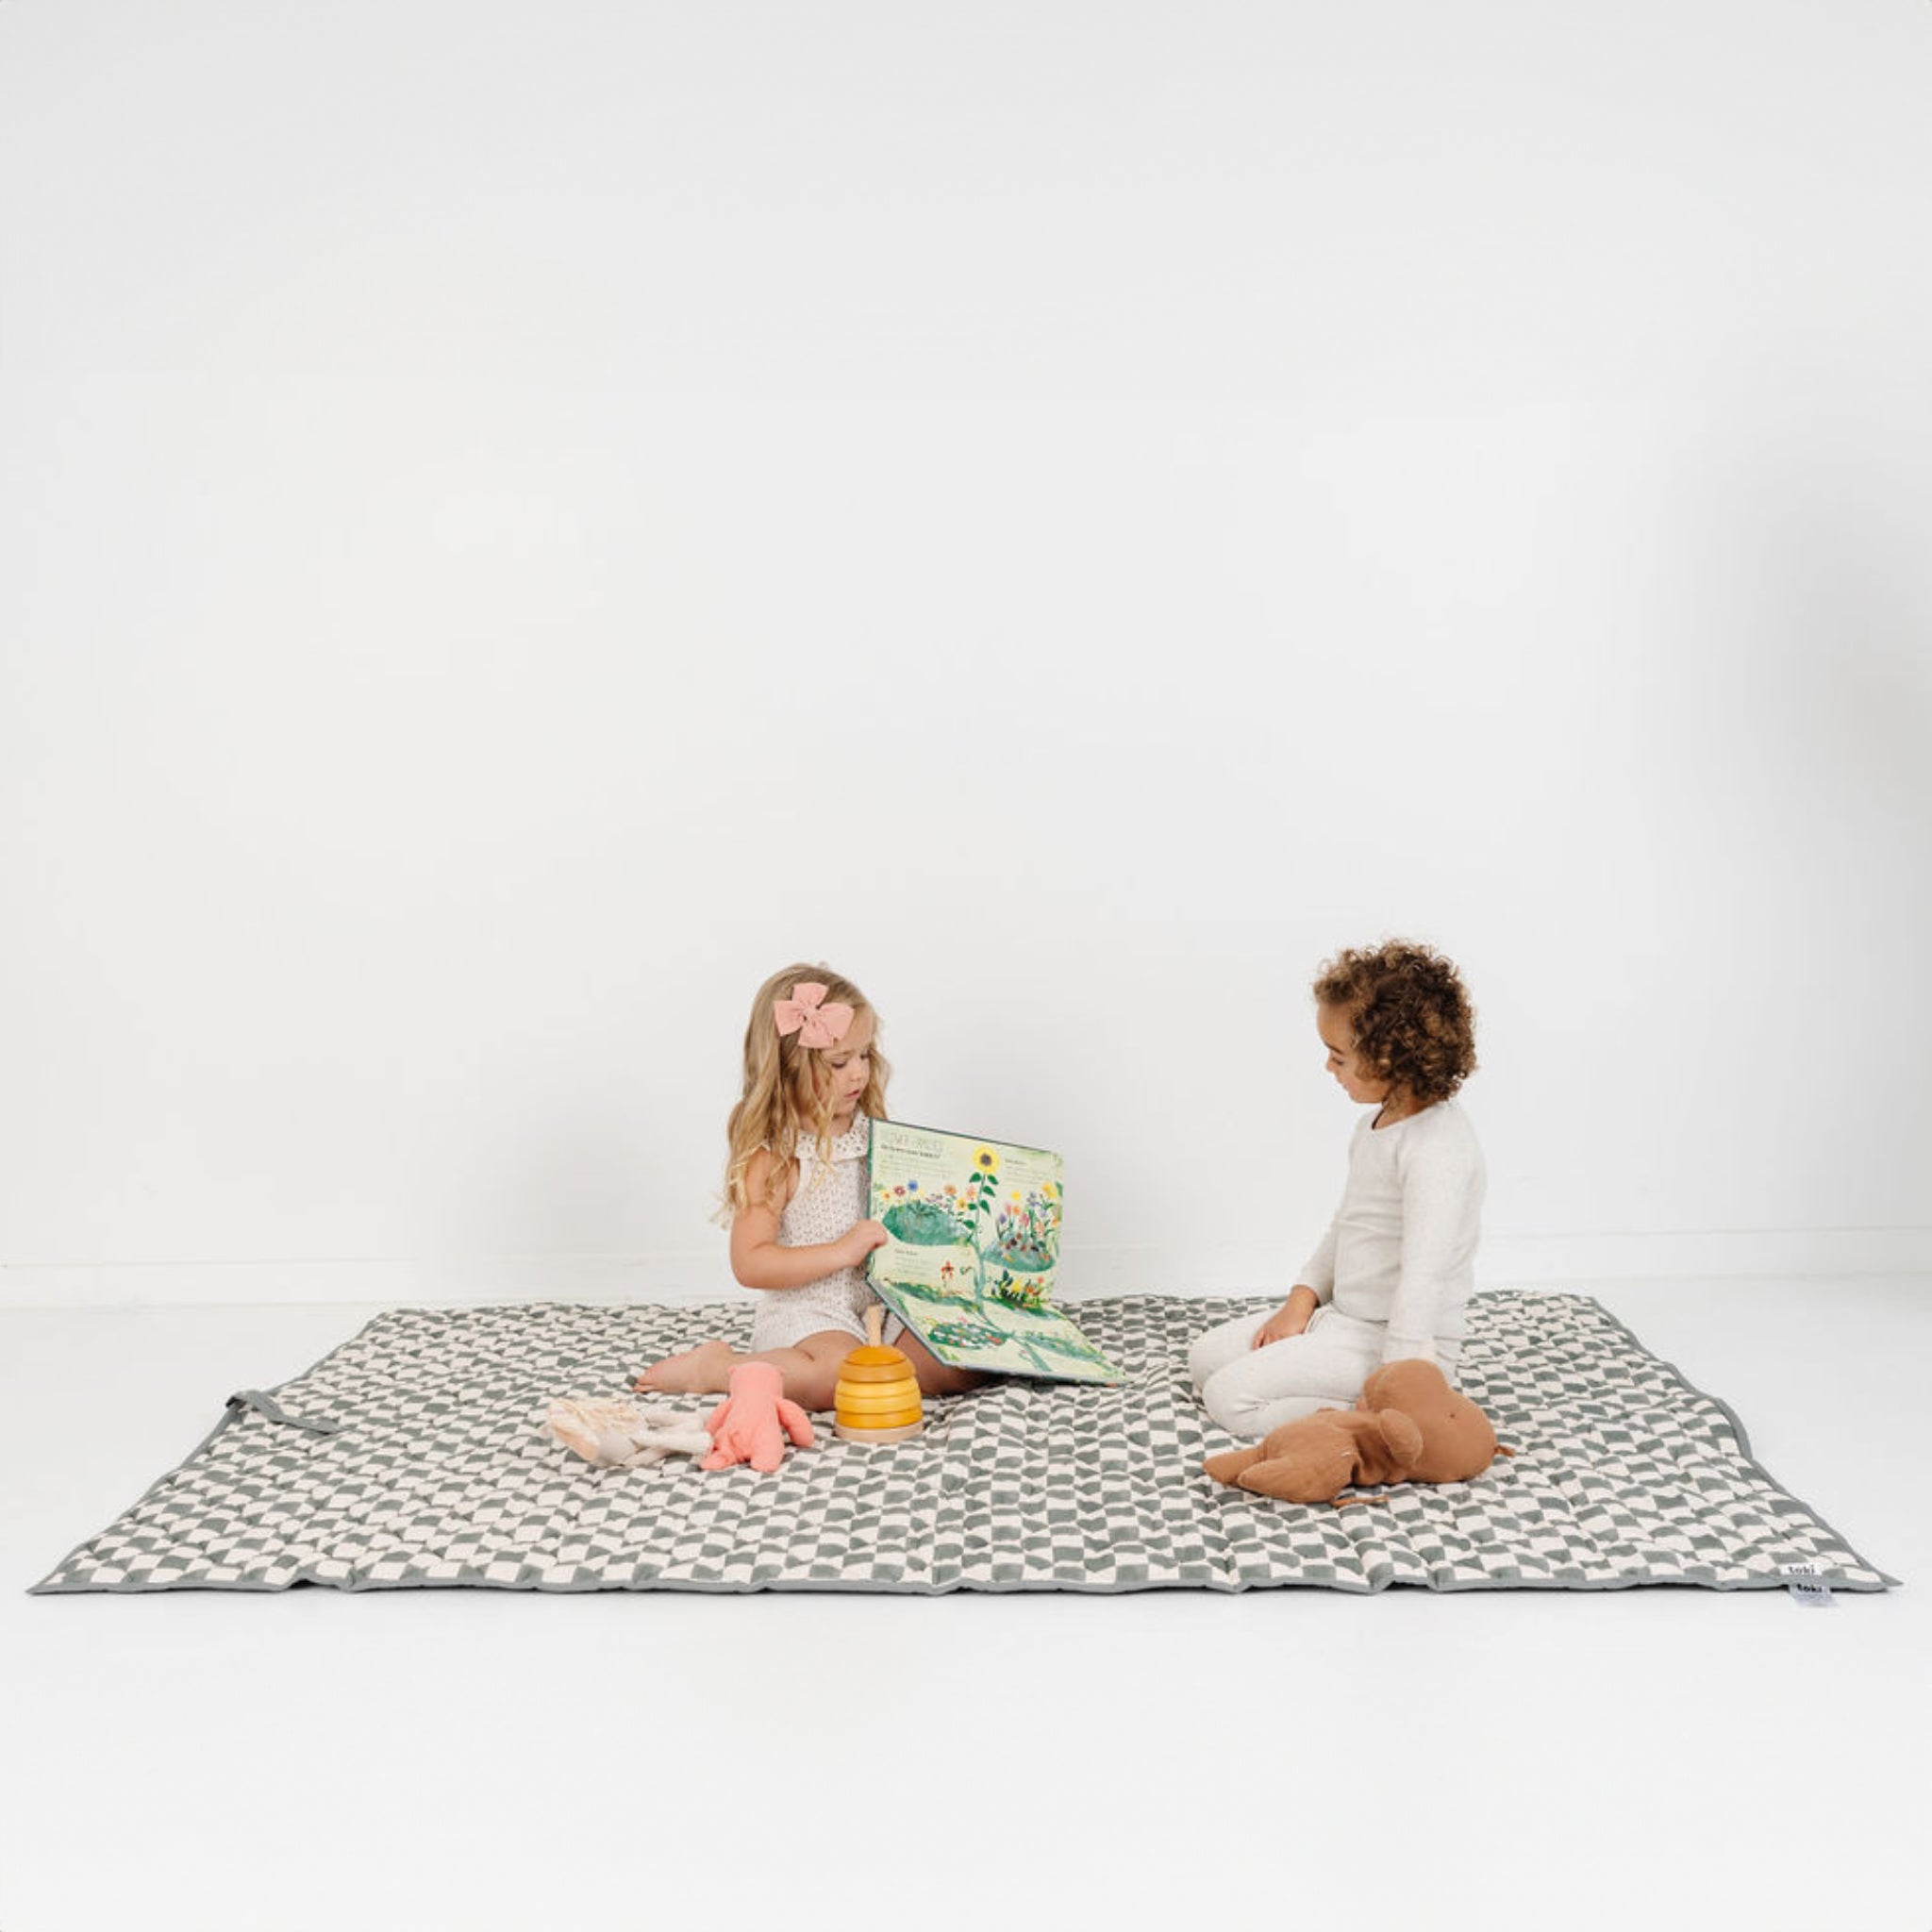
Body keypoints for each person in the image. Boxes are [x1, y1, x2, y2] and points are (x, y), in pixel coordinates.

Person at [634, 962, 979, 1411]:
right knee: (840, 1377)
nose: (858, 1073)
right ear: (789, 1069)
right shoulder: (777, 1156)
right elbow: (750, 1263)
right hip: (809, 1314)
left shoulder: (872, 1136)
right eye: (839, 1062)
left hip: (882, 1307)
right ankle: (716, 1368)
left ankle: (901, 1364)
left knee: (960, 1362)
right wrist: (840, 1251)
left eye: (864, 1056)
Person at [1190, 940, 1484, 1440]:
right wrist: (1300, 1303)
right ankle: (1334, 1386)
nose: (1329, 1068)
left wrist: (1396, 1383)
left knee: (1227, 1397)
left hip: (1401, 1345)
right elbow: (1345, 1227)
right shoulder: (1374, 1127)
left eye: (1338, 1057)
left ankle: (1375, 1423)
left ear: (1390, 1058)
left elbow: (1423, 1277)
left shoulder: (1438, 1149)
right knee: (1204, 1360)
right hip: (1344, 1320)